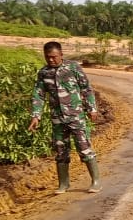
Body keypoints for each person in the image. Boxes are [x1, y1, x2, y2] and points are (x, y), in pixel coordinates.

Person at [28, 41, 102, 194]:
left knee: (84, 148)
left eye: (54, 57)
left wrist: (91, 108)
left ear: (61, 55)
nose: (51, 60)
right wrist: (36, 116)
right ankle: (63, 184)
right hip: (57, 119)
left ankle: (96, 182)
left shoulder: (73, 68)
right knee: (61, 151)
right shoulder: (43, 73)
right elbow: (38, 95)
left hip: (76, 117)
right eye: (48, 57)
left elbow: (86, 89)